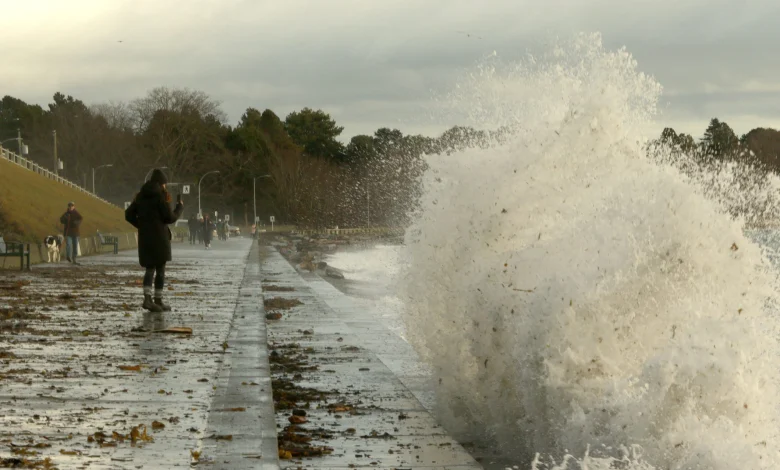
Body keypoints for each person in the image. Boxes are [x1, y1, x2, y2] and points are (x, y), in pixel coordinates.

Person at [124, 169, 183, 313]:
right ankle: (157, 300)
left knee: (150, 268)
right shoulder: (160, 197)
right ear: (161, 183)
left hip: (146, 237)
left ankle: (148, 299)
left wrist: (142, 225)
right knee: (160, 269)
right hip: (159, 238)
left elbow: (128, 214)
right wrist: (179, 208)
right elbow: (169, 217)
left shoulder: (141, 196)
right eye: (165, 184)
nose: (165, 187)